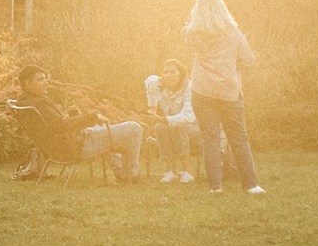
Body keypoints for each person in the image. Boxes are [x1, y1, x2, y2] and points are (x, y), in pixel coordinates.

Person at [184, 0, 264, 194]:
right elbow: (248, 60)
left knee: (209, 139)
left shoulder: (191, 33)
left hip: (202, 90)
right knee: (239, 138)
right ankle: (251, 184)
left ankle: (215, 186)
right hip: (229, 91)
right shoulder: (234, 33)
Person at [13, 66, 145, 182]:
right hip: (75, 145)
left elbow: (55, 125)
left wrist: (78, 119)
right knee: (134, 128)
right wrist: (92, 117)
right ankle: (130, 176)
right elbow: (60, 126)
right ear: (27, 83)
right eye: (41, 79)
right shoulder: (38, 104)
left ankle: (122, 173)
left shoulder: (24, 103)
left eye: (45, 79)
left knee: (108, 131)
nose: (46, 83)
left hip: (64, 146)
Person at [142, 60, 197, 183]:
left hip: (195, 127)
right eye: (165, 72)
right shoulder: (162, 87)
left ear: (181, 74)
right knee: (160, 127)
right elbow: (149, 80)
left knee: (176, 126)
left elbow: (187, 115)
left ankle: (187, 172)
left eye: (173, 72)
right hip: (171, 125)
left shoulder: (189, 87)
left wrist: (163, 119)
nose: (168, 75)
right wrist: (153, 108)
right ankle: (171, 171)